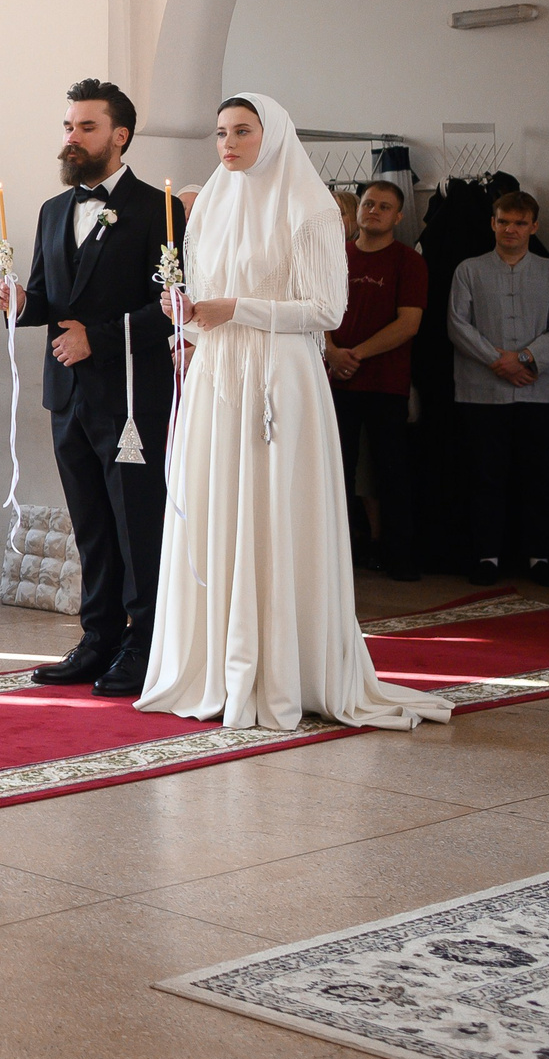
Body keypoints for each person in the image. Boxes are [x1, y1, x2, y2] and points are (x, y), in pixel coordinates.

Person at [139, 94, 451, 732]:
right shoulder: (212, 206)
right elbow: (203, 298)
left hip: (281, 376)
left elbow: (326, 313)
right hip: (218, 377)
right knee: (217, 505)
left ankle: (285, 666)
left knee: (274, 509)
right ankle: (212, 665)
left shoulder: (309, 207)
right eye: (221, 132)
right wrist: (186, 327)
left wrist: (238, 309)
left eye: (243, 132)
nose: (228, 144)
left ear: (271, 135)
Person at [0, 79, 182, 697]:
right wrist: (21, 303)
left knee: (137, 524)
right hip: (67, 393)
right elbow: (50, 299)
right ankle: (97, 637)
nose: (72, 138)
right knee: (91, 525)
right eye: (69, 127)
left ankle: (144, 642)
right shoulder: (53, 210)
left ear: (119, 136)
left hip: (131, 394)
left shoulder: (160, 209)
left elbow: (171, 308)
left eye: (86, 128)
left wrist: (97, 338)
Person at [451, 190, 549, 587]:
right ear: (493, 223)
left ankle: (540, 556)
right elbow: (457, 324)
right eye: (504, 221)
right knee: (486, 476)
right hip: (481, 393)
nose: (511, 229)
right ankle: (486, 556)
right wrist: (498, 361)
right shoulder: (468, 270)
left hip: (540, 393)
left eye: (520, 223)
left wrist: (522, 359)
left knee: (539, 476)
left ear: (534, 227)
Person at [325, 180, 427, 580]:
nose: (374, 211)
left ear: (398, 216)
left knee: (392, 471)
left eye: (384, 207)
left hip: (385, 383)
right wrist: (332, 352)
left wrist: (357, 355)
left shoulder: (408, 261)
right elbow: (318, 311)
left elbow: (409, 323)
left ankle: (399, 555)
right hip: (336, 380)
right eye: (369, 204)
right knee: (337, 471)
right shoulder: (336, 256)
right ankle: (339, 557)